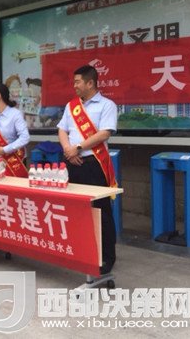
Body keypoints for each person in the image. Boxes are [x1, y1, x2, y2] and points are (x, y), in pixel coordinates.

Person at [57, 64, 118, 275]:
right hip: (72, 163)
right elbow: (62, 129)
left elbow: (104, 133)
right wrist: (68, 150)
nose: (74, 86)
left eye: (77, 82)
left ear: (90, 83)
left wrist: (78, 148)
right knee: (75, 210)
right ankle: (81, 252)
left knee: (100, 210)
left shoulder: (107, 105)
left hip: (93, 164)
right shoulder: (71, 106)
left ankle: (107, 257)